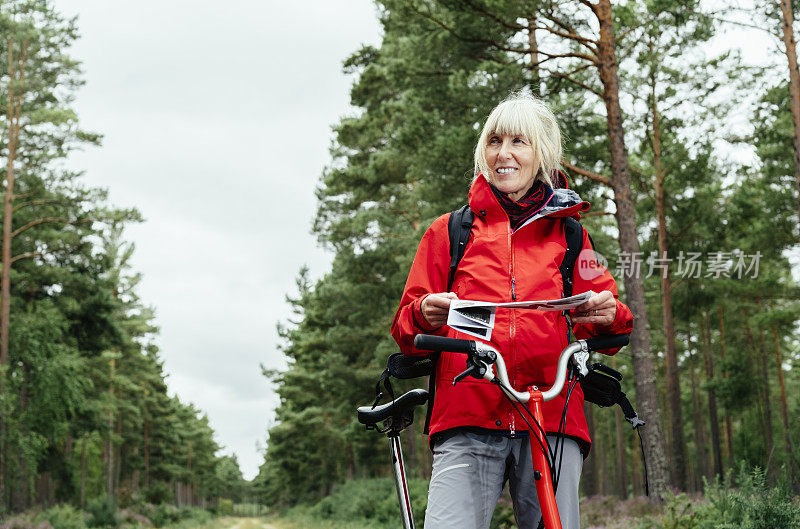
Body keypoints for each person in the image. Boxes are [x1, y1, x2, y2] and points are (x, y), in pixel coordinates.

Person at [390, 92, 634, 529]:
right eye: (494, 141)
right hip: (468, 411)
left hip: (553, 415)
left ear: (540, 152)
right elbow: (406, 325)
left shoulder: (574, 236)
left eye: (518, 142)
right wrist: (424, 311)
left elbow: (614, 315)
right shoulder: (449, 231)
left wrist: (606, 312)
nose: (504, 154)